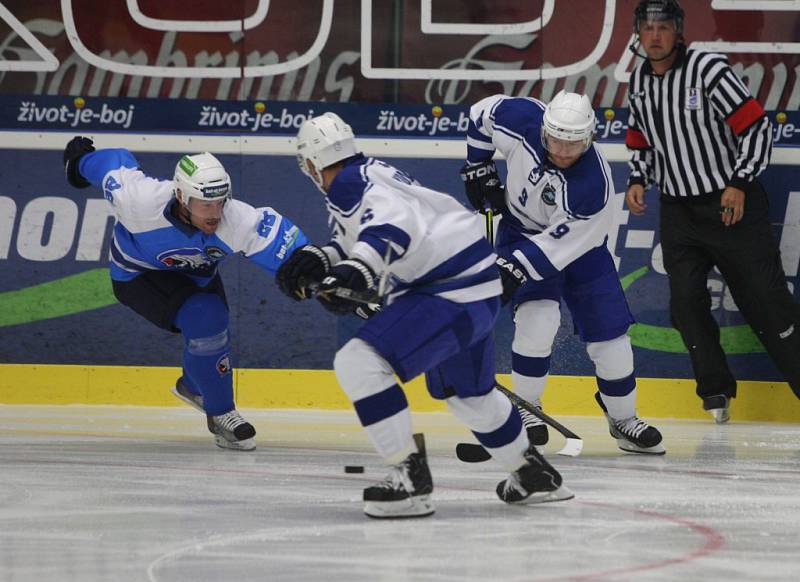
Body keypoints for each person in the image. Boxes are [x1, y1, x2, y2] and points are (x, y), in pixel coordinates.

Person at [275, 112, 574, 518]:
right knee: (470, 395)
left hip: (448, 289)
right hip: (479, 286)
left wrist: (358, 270)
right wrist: (324, 257)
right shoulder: (371, 173)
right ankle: (532, 473)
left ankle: (409, 481)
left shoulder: (347, 183)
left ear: (310, 163)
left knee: (358, 362)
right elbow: (372, 232)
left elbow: (390, 228)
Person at [62, 136, 309, 450]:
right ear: (180, 195)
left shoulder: (237, 219)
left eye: (220, 202)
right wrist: (79, 162)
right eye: (205, 203)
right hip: (139, 275)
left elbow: (296, 255)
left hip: (197, 277)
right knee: (208, 318)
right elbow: (113, 164)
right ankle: (222, 413)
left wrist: (327, 277)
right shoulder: (139, 199)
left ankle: (194, 387)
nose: (215, 212)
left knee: (211, 332)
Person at [461, 90, 665, 455]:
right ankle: (527, 409)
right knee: (538, 320)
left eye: (574, 144)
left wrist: (513, 268)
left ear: (589, 139)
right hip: (520, 230)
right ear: (544, 129)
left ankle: (623, 419)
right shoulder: (520, 118)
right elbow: (481, 114)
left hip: (581, 248)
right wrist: (478, 164)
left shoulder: (592, 186)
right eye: (556, 141)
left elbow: (560, 244)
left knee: (611, 339)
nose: (563, 152)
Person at [624, 0, 800, 423]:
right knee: (684, 303)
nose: (655, 35)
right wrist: (637, 177)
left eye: (663, 27)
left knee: (765, 301)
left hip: (729, 205)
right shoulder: (639, 83)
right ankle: (716, 391)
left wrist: (738, 183)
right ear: (639, 33)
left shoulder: (707, 70)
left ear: (678, 31)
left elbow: (756, 126)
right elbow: (641, 140)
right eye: (648, 28)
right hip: (679, 211)